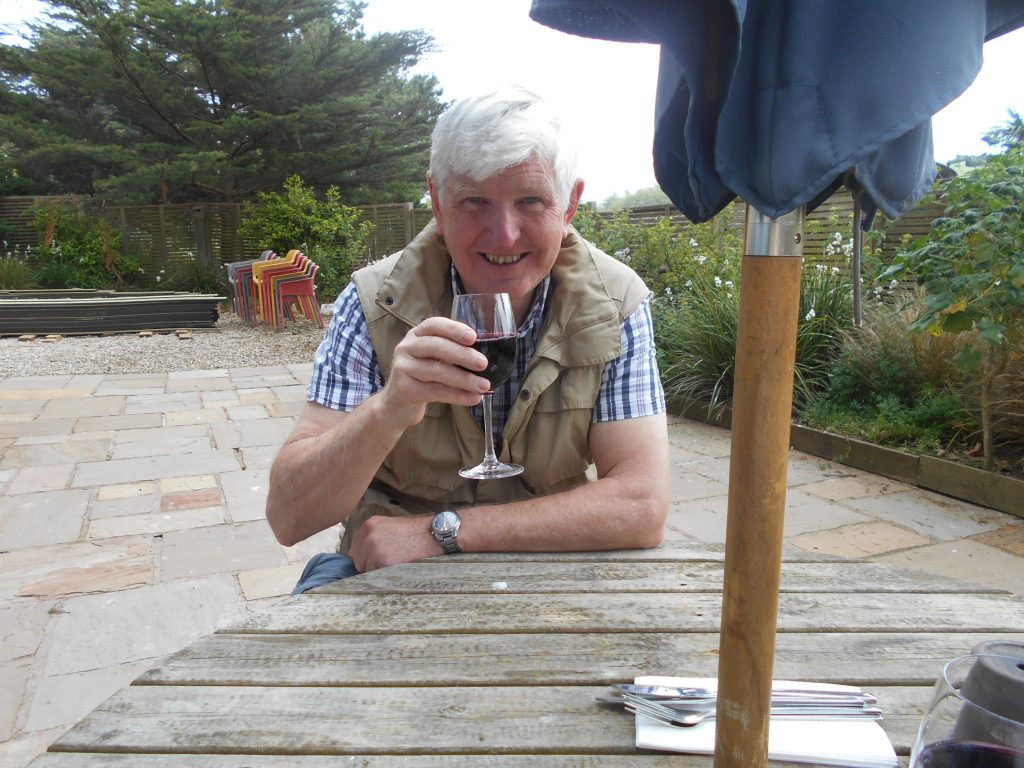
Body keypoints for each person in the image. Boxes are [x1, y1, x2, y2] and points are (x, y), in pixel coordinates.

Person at [266, 86, 670, 593]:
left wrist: (443, 533)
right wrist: (390, 408)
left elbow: (642, 505)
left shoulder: (616, 305)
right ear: (437, 201)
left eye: (531, 201)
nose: (504, 236)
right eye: (475, 201)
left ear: (569, 206)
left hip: (547, 572)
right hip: (392, 579)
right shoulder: (373, 303)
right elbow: (289, 516)